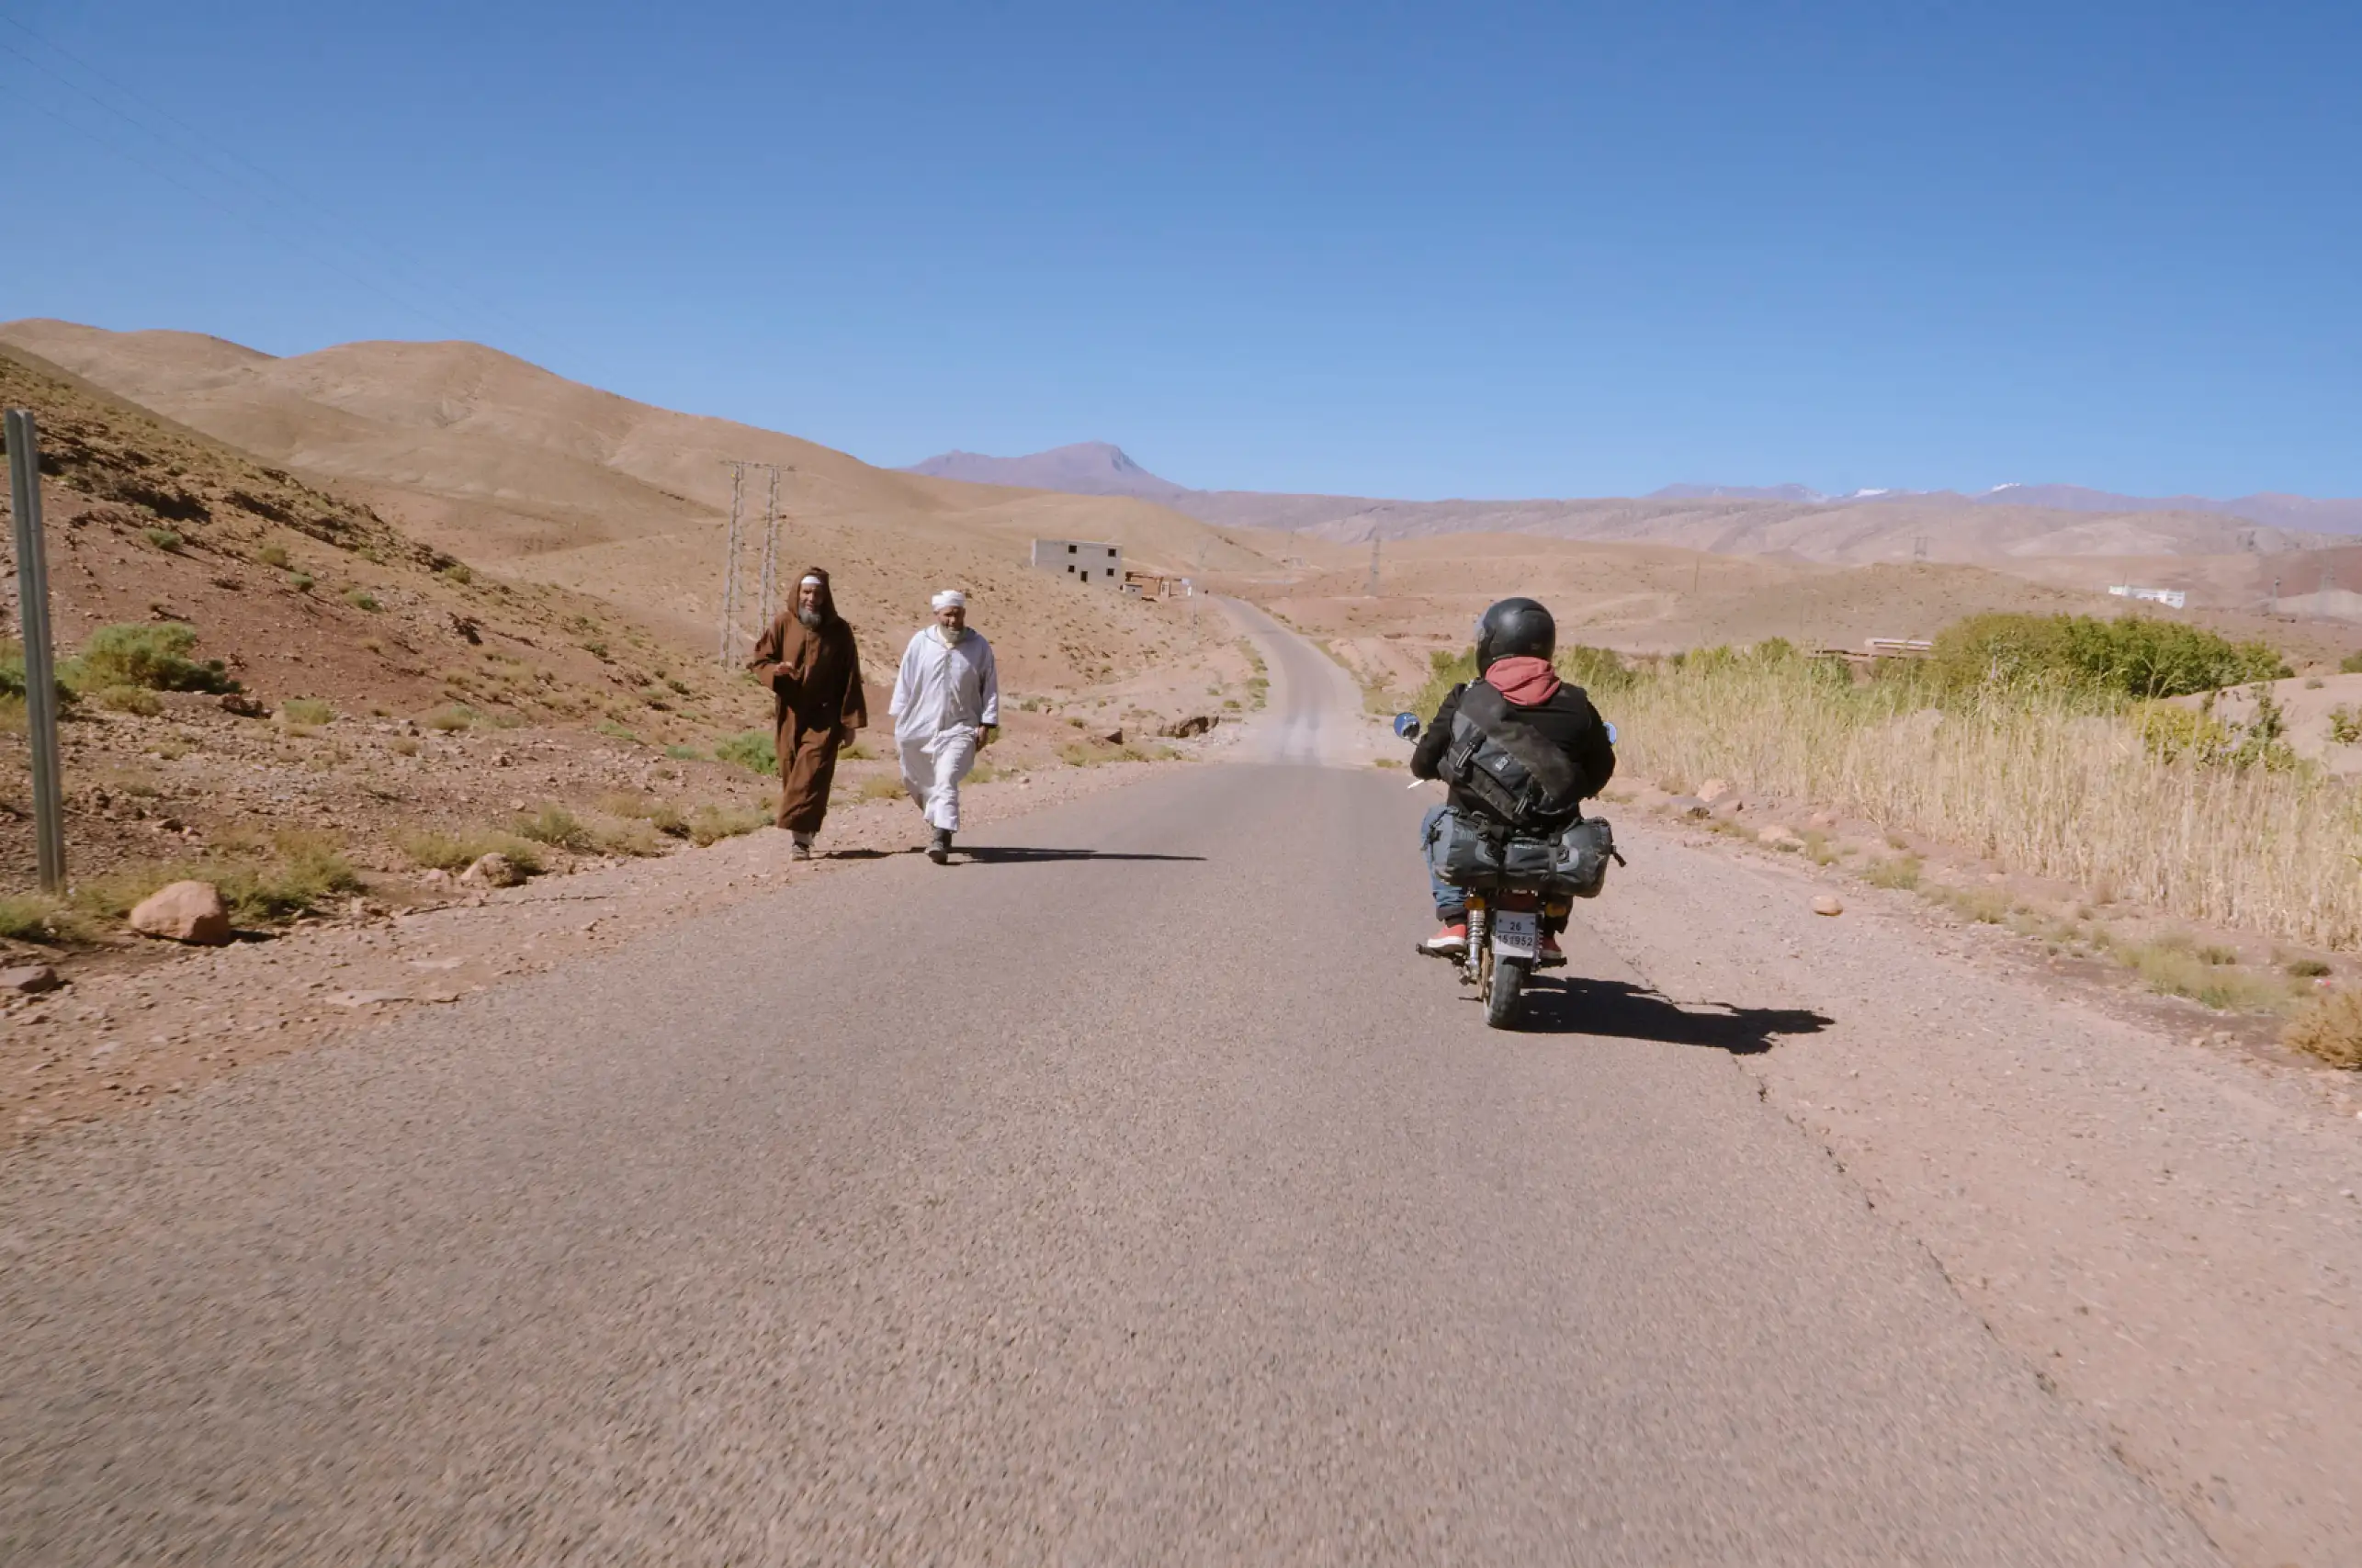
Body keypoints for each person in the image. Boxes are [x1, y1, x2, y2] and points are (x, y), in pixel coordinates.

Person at [1410, 597, 1616, 967]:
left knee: (1433, 820)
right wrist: (1566, 790)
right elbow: (1602, 767)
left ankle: (1456, 922)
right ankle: (1548, 930)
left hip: (1477, 829)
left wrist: (1441, 768)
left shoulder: (1467, 698)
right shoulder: (1577, 703)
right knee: (1570, 826)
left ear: (1492, 643)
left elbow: (1423, 761)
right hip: (1547, 832)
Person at [748, 568, 867, 861]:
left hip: (826, 717)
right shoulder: (783, 623)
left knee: (811, 772)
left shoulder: (839, 631)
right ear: (797, 594)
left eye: (817, 593)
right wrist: (776, 670)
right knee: (792, 770)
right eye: (806, 592)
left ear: (826, 596)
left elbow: (851, 676)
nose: (811, 598)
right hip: (790, 712)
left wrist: (849, 722)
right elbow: (761, 659)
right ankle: (806, 824)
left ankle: (799, 840)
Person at [889, 589, 1000, 864]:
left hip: (961, 725)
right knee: (915, 778)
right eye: (948, 614)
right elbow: (905, 678)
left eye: (958, 613)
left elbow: (990, 686)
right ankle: (939, 817)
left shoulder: (978, 645)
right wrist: (899, 714)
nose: (954, 620)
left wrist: (987, 721)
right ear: (937, 615)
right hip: (920, 722)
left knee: (947, 776)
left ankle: (940, 836)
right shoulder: (921, 642)